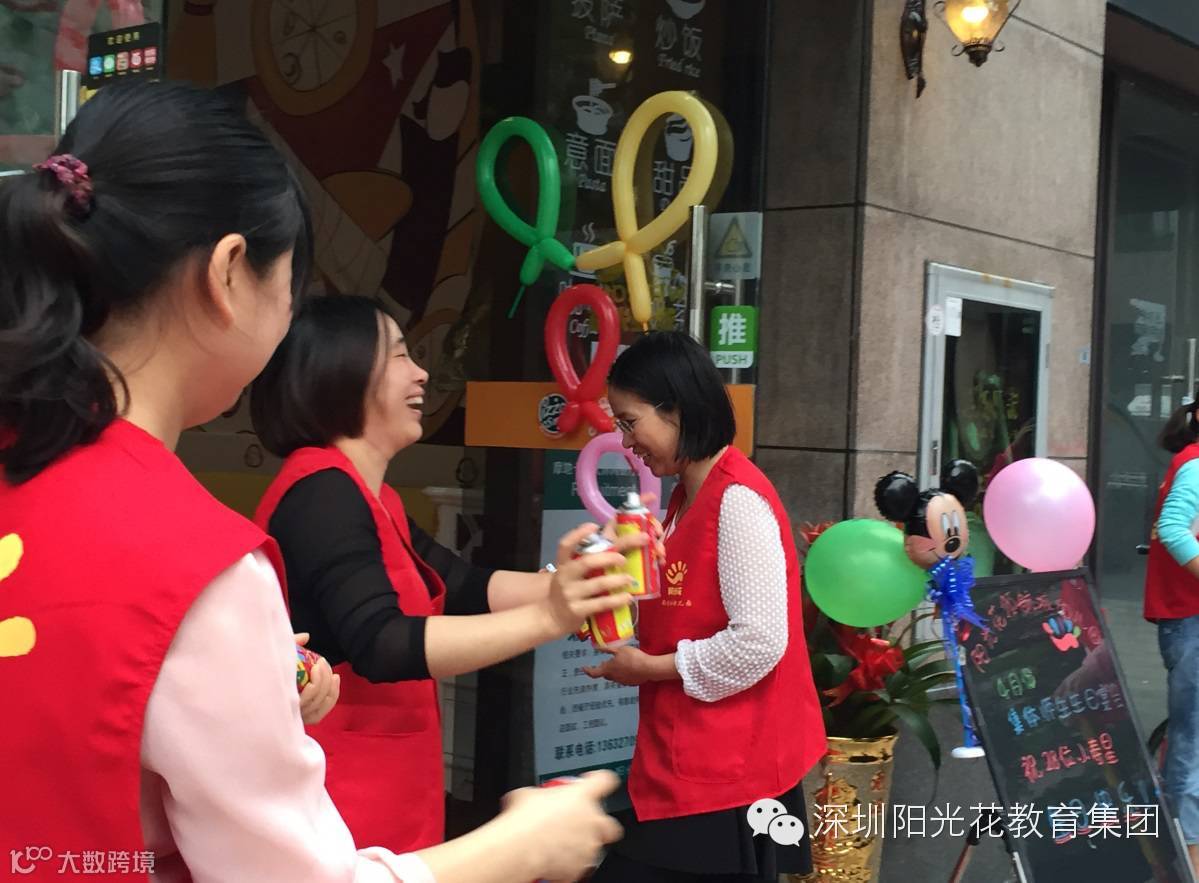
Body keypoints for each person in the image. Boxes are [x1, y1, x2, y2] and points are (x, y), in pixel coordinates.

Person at [0, 79, 621, 883]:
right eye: (290, 281)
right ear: (229, 273)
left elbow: (456, 581)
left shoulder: (51, 481)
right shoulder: (209, 559)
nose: (419, 372)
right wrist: (523, 844)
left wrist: (559, 591)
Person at [249, 292, 649, 853]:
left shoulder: (369, 494)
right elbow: (384, 643)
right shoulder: (322, 494)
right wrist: (550, 616)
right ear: (340, 369)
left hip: (383, 791)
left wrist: (576, 578)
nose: (421, 373)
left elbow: (463, 585)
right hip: (339, 806)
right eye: (399, 355)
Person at [583, 331, 827, 882]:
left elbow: (759, 641)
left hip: (726, 770)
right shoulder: (684, 497)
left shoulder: (735, 499)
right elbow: (689, 604)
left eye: (631, 422)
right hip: (698, 758)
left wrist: (648, 668)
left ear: (676, 409)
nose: (627, 441)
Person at [1145, 393, 1199, 873]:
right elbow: (1173, 529)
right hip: (1191, 618)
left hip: (1187, 617)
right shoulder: (1196, 465)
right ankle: (1186, 858)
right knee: (1192, 741)